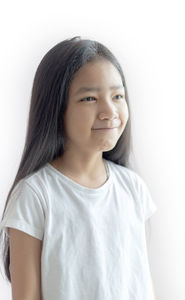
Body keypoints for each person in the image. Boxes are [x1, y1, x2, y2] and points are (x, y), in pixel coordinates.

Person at [0, 36, 157, 300]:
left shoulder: (133, 188)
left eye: (117, 95)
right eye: (89, 99)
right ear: (55, 108)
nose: (110, 111)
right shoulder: (35, 196)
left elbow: (140, 282)